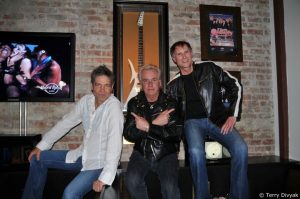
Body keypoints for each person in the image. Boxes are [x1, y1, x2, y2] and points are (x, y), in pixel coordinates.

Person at [21, 65, 124, 199]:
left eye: (107, 85)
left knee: (69, 194)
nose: (102, 90)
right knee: (37, 158)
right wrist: (41, 146)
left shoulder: (114, 108)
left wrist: (105, 177)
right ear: (92, 86)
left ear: (112, 87)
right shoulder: (86, 101)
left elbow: (115, 145)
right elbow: (65, 123)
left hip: (99, 164)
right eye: (98, 85)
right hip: (82, 155)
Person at [166, 41, 248, 199]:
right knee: (196, 152)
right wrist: (173, 148)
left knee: (241, 148)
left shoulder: (208, 67)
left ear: (191, 53)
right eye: (179, 54)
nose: (184, 56)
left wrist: (232, 114)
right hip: (192, 123)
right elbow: (174, 120)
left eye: (186, 52)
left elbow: (235, 85)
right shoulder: (172, 86)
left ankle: (238, 196)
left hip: (216, 119)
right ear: (174, 59)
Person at [123, 64, 181, 199]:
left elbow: (175, 134)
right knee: (131, 181)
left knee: (170, 187)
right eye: (145, 80)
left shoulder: (171, 103)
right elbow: (128, 133)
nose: (150, 84)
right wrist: (155, 124)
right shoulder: (135, 103)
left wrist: (147, 127)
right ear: (141, 84)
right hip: (141, 152)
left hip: (166, 153)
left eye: (154, 80)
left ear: (160, 83)